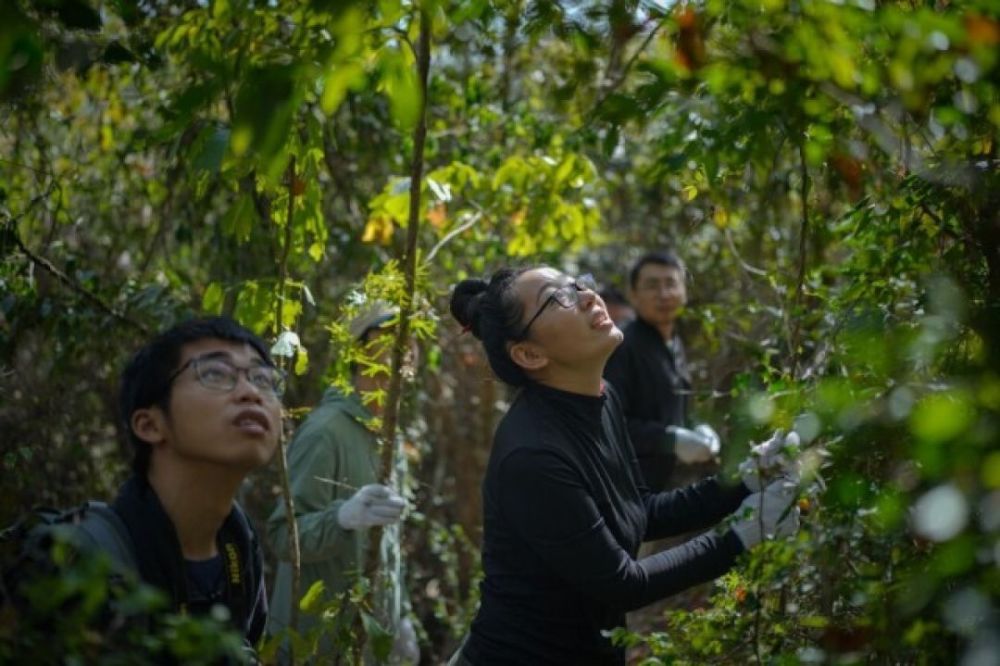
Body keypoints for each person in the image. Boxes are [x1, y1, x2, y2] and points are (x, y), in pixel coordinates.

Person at [447, 266, 800, 665]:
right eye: (556, 297)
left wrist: (745, 482)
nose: (586, 296)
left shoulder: (602, 396)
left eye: (577, 283)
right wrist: (745, 533)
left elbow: (638, 511)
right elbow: (623, 584)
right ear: (530, 354)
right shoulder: (533, 457)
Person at [3, 316, 282, 655]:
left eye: (263, 379)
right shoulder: (76, 559)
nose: (251, 393)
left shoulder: (238, 546)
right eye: (215, 374)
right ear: (150, 425)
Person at [267, 303, 418, 664]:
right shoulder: (325, 431)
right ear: (359, 350)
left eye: (411, 336)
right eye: (391, 336)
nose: (407, 347)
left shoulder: (386, 433)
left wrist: (401, 617)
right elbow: (282, 537)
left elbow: (386, 545)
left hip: (367, 647)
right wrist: (340, 519)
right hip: (316, 648)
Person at [604, 250, 720, 492]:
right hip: (629, 491)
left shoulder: (673, 341)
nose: (664, 294)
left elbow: (672, 405)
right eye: (652, 285)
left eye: (671, 284)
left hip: (665, 486)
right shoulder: (623, 346)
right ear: (633, 295)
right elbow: (609, 423)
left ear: (684, 292)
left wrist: (695, 428)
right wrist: (670, 439)